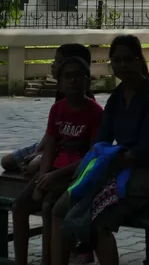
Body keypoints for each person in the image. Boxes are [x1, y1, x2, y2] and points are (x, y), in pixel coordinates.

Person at [51, 34, 149, 265]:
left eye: (128, 60)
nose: (122, 65)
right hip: (119, 167)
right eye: (116, 60)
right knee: (62, 207)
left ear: (140, 61)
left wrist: (113, 162)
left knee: (97, 219)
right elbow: (102, 141)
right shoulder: (117, 98)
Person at [12, 55, 103, 265]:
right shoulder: (57, 109)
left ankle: (49, 260)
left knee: (48, 207)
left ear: (87, 81)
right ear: (59, 82)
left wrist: (54, 177)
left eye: (78, 76)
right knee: (19, 206)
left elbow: (91, 156)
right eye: (67, 77)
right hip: (53, 169)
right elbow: (50, 146)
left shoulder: (95, 112)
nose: (72, 81)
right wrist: (42, 177)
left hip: (75, 173)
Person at [1, 43, 96, 176]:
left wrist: (41, 154)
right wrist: (38, 151)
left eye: (58, 61)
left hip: (69, 150)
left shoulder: (87, 104)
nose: (53, 65)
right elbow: (51, 133)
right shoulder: (60, 98)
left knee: (33, 167)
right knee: (7, 161)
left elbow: (78, 143)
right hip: (53, 145)